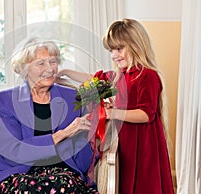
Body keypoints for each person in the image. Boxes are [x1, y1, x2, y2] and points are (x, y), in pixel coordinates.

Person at [57, 18, 174, 193]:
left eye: (119, 49)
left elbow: (145, 114)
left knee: (144, 185)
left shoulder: (147, 76)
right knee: (125, 183)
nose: (114, 55)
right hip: (126, 143)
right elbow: (92, 78)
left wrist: (113, 113)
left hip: (143, 145)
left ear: (136, 45)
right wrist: (64, 73)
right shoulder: (120, 76)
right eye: (112, 50)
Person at [0, 38, 98, 193]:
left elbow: (82, 157)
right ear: (24, 68)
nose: (50, 69)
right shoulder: (6, 101)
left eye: (53, 62)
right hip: (18, 173)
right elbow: (15, 152)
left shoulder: (73, 98)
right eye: (41, 63)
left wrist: (94, 130)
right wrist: (64, 134)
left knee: (64, 184)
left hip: (62, 175)